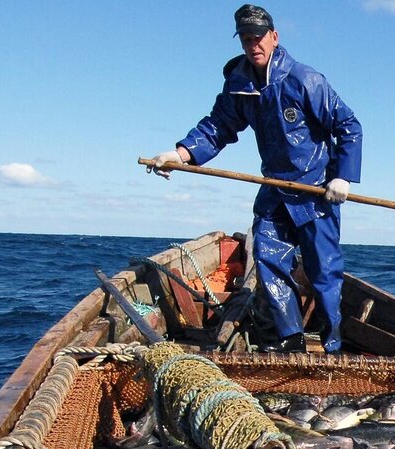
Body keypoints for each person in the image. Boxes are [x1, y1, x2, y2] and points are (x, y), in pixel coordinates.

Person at [148, 5, 362, 353]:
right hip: (275, 190)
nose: (253, 45)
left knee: (323, 273)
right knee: (267, 262)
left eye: (258, 37)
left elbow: (349, 126)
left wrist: (343, 177)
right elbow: (218, 126)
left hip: (315, 191)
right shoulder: (239, 82)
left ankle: (333, 346)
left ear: (274, 37)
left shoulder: (306, 80)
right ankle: (291, 343)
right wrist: (181, 154)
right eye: (246, 39)